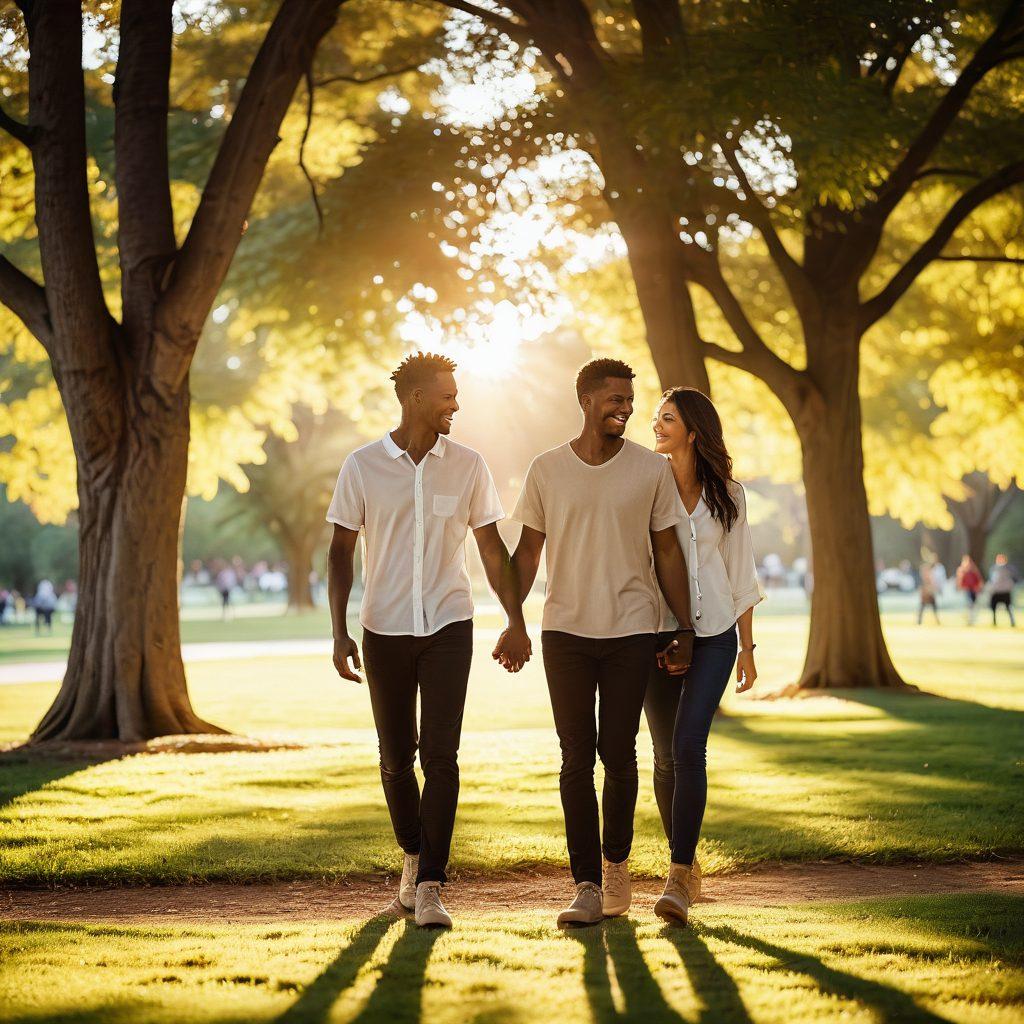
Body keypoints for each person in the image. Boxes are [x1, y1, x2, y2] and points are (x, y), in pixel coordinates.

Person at [327, 351, 530, 930]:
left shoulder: (468, 465)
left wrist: (513, 618)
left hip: (448, 624)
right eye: (447, 397)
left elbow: (491, 549)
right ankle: (414, 857)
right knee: (396, 760)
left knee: (442, 756)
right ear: (416, 398)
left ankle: (431, 885)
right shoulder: (362, 467)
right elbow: (341, 552)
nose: (456, 405)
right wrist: (339, 630)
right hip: (383, 627)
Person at [508, 358, 695, 928]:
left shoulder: (649, 470)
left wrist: (683, 628)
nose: (626, 407)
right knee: (574, 758)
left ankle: (616, 869)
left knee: (619, 754)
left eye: (629, 400)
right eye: (614, 398)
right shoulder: (546, 469)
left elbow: (667, 550)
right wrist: (513, 620)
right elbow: (528, 553)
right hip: (564, 629)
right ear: (586, 400)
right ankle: (586, 883)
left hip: (631, 629)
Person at [643, 387, 764, 926]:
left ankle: (676, 874)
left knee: (690, 744)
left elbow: (742, 575)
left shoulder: (729, 495)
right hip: (658, 634)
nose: (656, 425)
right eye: (656, 417)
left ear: (693, 430)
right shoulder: (644, 484)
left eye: (667, 418)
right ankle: (686, 863)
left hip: (715, 635)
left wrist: (747, 648)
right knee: (665, 754)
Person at [989, 553, 1018, 627]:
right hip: (996, 591)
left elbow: (1014, 578)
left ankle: (1012, 621)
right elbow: (992, 580)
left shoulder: (1008, 568)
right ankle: (994, 621)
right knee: (993, 608)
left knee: (1008, 607)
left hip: (1005, 591)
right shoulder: (994, 568)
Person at [955, 555, 984, 625]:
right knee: (968, 605)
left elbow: (979, 581)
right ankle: (968, 620)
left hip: (973, 591)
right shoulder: (961, 571)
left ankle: (971, 620)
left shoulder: (974, 571)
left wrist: (978, 588)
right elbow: (959, 582)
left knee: (972, 606)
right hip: (965, 591)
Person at [918, 556, 940, 625]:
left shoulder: (929, 572)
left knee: (930, 606)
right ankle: (919, 620)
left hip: (929, 592)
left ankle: (920, 620)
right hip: (927, 592)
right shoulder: (926, 572)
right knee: (924, 606)